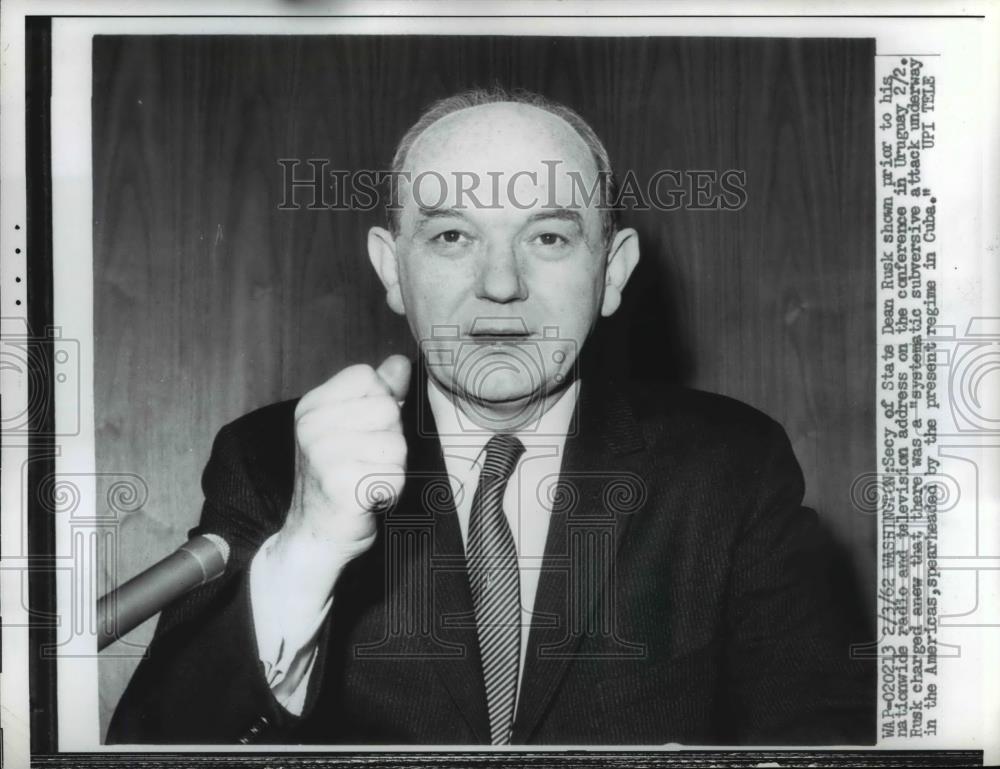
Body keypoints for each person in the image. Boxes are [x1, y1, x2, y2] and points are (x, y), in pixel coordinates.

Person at [107, 87, 874, 746]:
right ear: (392, 268)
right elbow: (147, 751)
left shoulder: (732, 465)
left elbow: (823, 738)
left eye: (547, 236)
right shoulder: (273, 459)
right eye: (450, 236)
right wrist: (305, 550)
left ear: (612, 272)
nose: (500, 282)